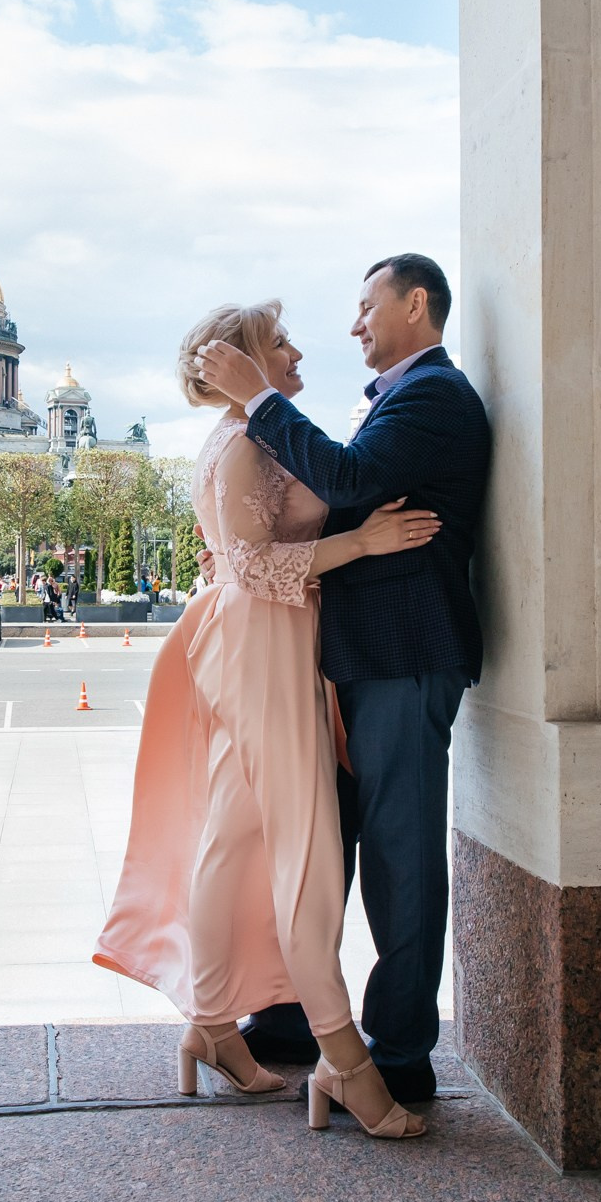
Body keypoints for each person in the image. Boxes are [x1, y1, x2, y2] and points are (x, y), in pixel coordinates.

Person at [95, 299, 441, 1140]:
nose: (294, 351)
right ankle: (342, 1059)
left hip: (257, 638)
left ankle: (212, 1025)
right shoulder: (249, 437)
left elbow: (238, 555)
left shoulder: (233, 436)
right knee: (306, 848)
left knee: (239, 834)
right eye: (277, 340)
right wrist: (363, 543)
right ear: (243, 354)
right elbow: (250, 564)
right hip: (265, 638)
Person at [192, 255, 490, 1107]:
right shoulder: (398, 397)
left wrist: (259, 400)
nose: (353, 323)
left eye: (367, 306)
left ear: (416, 303)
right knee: (323, 843)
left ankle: (398, 1052)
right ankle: (288, 1016)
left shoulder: (432, 393)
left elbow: (348, 480)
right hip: (353, 659)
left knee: (399, 856)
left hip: (402, 651)